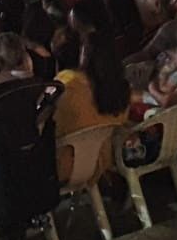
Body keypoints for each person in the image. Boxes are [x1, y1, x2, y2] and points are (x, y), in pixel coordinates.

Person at [52, 33, 131, 180]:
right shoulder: (121, 89)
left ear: (85, 55)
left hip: (65, 166)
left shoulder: (69, 83)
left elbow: (53, 125)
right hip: (104, 161)